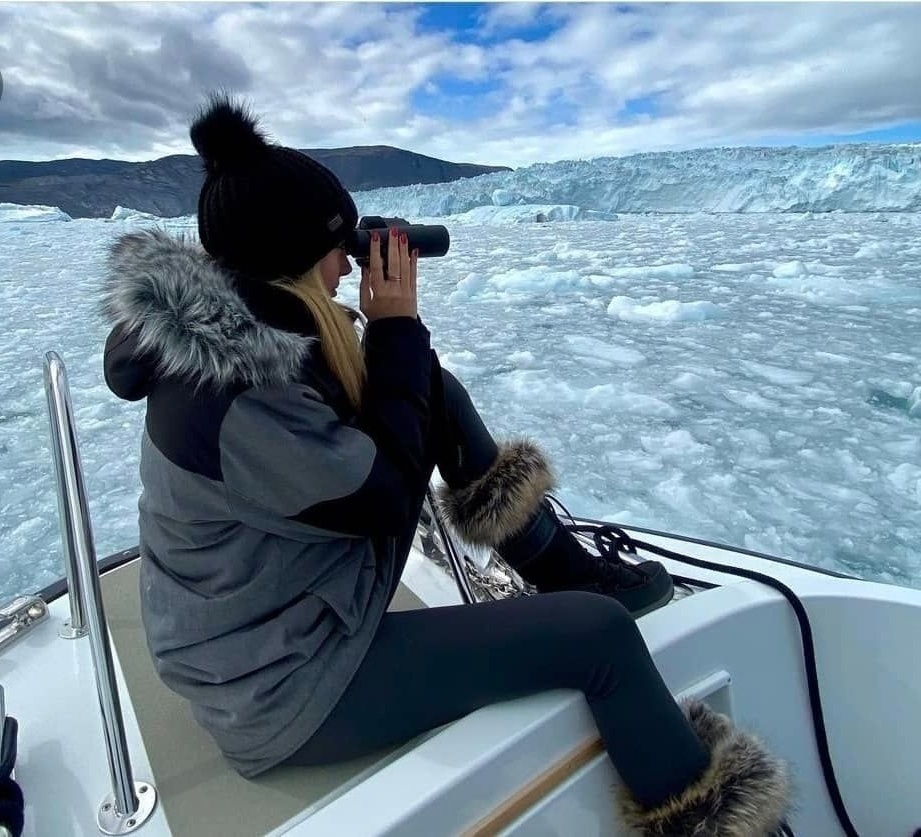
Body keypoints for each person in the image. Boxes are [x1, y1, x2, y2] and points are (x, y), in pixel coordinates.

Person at [100, 94, 790, 835]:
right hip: (278, 686)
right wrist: (396, 326)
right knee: (599, 638)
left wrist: (404, 357)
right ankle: (706, 821)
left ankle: (561, 564)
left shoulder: (244, 337)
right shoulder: (237, 396)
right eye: (337, 244)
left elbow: (388, 425)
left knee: (426, 384)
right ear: (292, 257)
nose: (347, 261)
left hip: (269, 622)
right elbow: (386, 499)